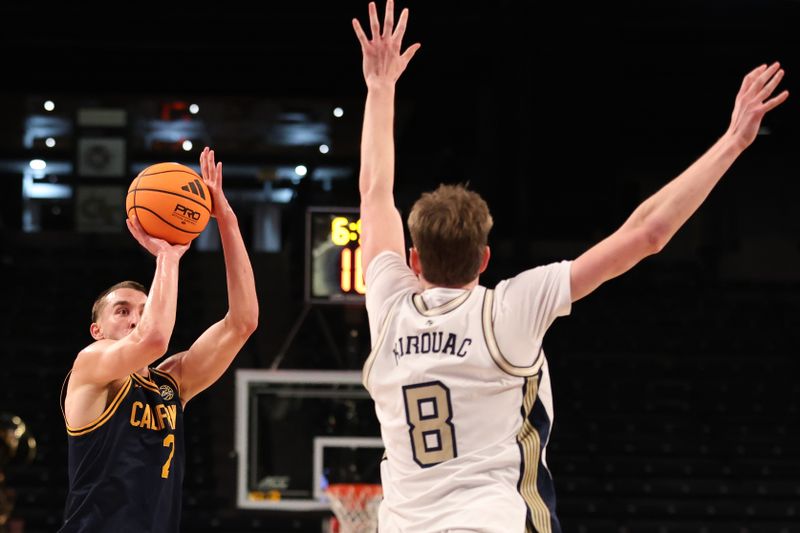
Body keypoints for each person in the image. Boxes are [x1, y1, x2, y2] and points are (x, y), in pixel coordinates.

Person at [352, 1, 788, 531]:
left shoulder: (389, 307)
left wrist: (380, 87)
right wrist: (733, 141)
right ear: (486, 258)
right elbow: (646, 234)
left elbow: (375, 192)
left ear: (413, 260)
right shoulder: (509, 309)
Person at [59, 147, 258, 532]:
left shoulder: (172, 383)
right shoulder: (89, 365)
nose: (136, 319)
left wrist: (228, 223)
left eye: (143, 309)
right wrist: (167, 257)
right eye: (122, 311)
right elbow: (153, 340)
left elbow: (243, 322)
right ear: (96, 331)